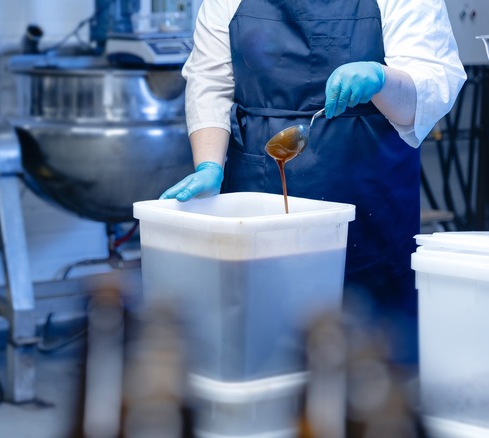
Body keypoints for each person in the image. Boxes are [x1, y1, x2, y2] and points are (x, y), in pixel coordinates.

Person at [161, 0, 466, 365]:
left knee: (373, 364)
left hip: (370, 200)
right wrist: (209, 164)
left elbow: (431, 85)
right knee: (265, 346)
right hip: (258, 195)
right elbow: (209, 82)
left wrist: (382, 80)